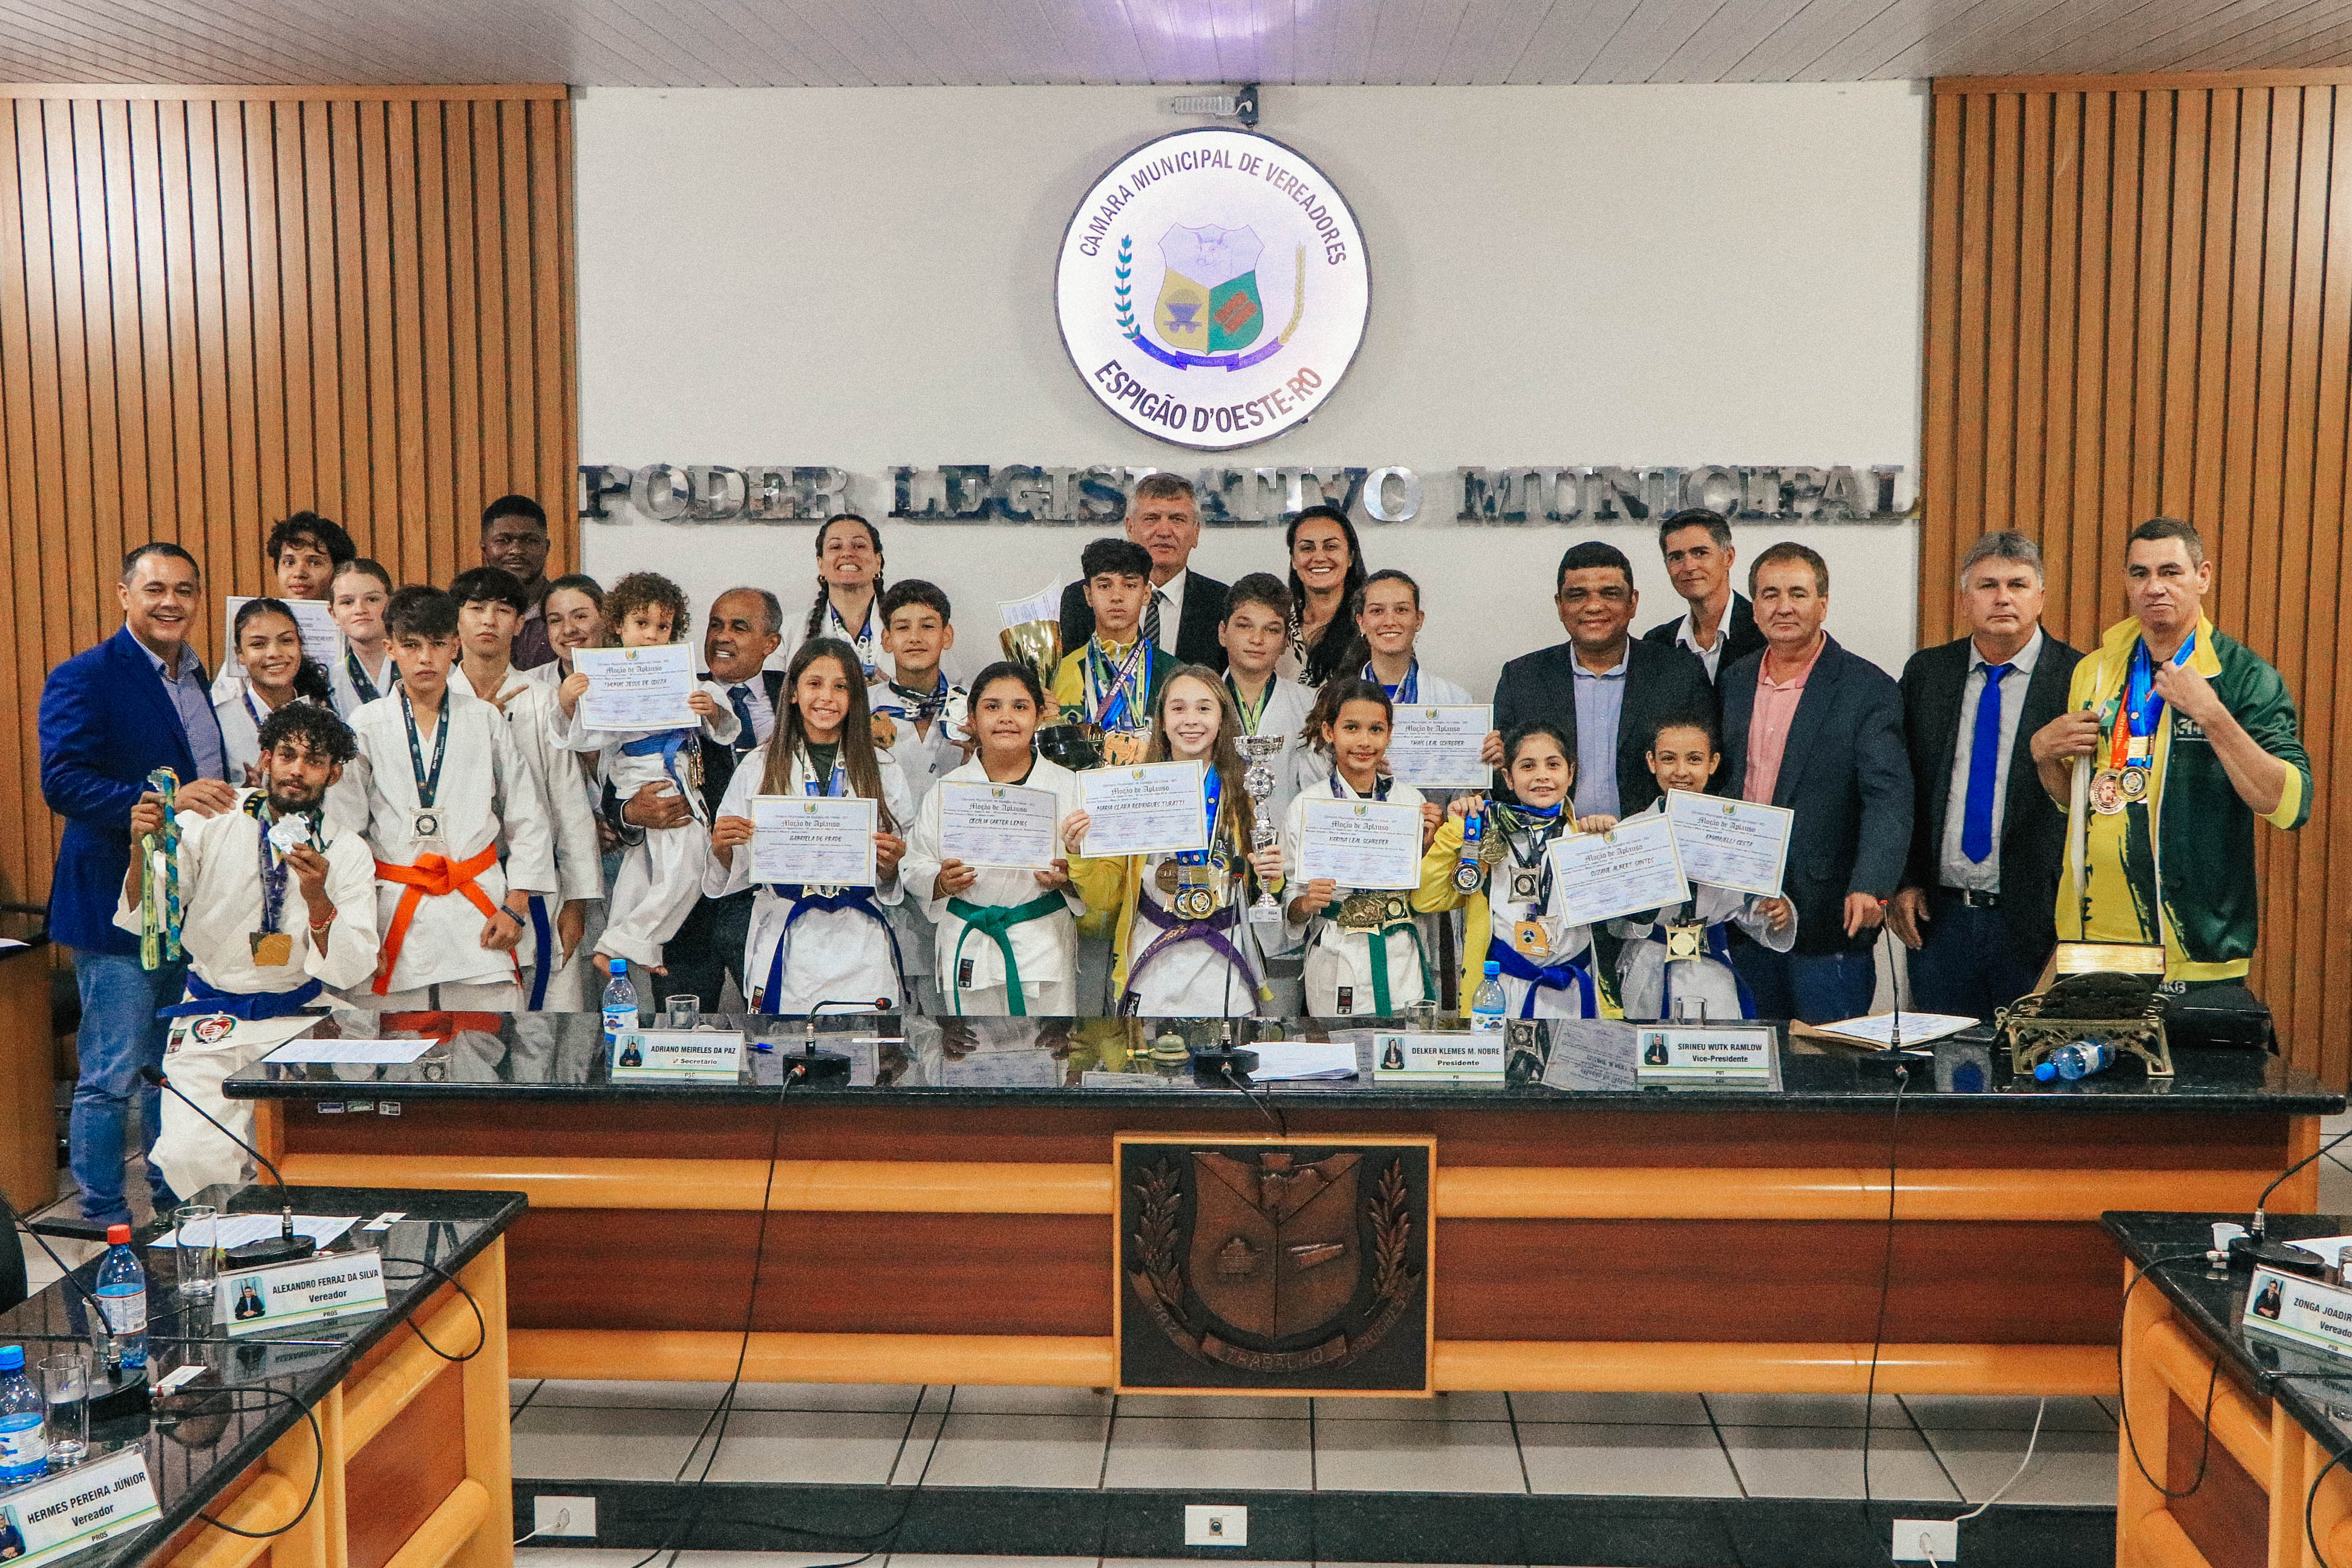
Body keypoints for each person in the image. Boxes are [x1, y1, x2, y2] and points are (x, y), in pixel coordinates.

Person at [41, 542, 238, 1226]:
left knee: (169, 1067)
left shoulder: (199, 677)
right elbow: (62, 781)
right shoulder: (85, 677)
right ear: (124, 594)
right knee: (111, 1074)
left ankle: (169, 1198)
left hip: (192, 906)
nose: (170, 603)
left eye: (184, 590)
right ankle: (102, 1216)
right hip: (117, 904)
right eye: (155, 589)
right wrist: (161, 802)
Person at [2028, 518, 2310, 990]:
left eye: (2170, 572)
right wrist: (2042, 756)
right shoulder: (2094, 672)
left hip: (2194, 951)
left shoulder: (2243, 676)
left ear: (2203, 577)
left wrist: (2212, 715)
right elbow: (2078, 802)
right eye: (2140, 573)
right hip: (2093, 944)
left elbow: (2289, 804)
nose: (2154, 587)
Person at [113, 704, 377, 1198]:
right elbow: (153, 916)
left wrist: (318, 896)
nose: (297, 770)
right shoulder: (210, 820)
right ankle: (221, 1240)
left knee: (301, 1168)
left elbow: (353, 965)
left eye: (314, 761)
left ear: (334, 774)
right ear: (266, 759)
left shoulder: (346, 850)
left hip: (297, 1017)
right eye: (287, 755)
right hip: (211, 1015)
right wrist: (138, 849)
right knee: (192, 1156)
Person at [330, 586, 555, 1010]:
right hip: (393, 910)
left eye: (437, 644)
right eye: (411, 646)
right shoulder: (365, 724)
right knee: (393, 1043)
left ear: (455, 646)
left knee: (485, 1041)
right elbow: (345, 833)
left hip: (479, 911)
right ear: (390, 648)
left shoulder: (484, 719)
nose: (425, 659)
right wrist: (358, 928)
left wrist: (516, 905)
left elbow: (527, 816)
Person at [1890, 533, 2083, 1021]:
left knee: (2032, 1060)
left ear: (2041, 597)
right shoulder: (1928, 674)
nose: (2002, 598)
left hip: (2038, 923)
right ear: (1964, 599)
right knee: (1942, 1058)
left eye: (2017, 585)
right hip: (1941, 921)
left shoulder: (2079, 678)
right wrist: (1904, 881)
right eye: (1987, 585)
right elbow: (1902, 787)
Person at [1719, 543, 1912, 1023]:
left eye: (1798, 594)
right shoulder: (1735, 680)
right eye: (1770, 594)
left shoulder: (1867, 688)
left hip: (1827, 916)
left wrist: (1873, 886)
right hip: (1743, 915)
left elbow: (1888, 799)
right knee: (1749, 1057)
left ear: (1823, 604)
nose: (1783, 607)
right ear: (1754, 607)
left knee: (1828, 1058)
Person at [708, 638, 915, 1013]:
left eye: (841, 687)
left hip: (860, 940)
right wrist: (723, 846)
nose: (827, 697)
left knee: (864, 1044)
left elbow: (901, 868)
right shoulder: (758, 766)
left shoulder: (884, 769)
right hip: (786, 934)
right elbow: (734, 870)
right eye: (815, 684)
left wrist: (891, 866)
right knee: (785, 1045)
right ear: (793, 693)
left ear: (856, 697)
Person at [1065, 667, 1283, 1015]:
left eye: (1204, 708)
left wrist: (1271, 874)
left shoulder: (1245, 795)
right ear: (1162, 722)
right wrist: (1079, 854)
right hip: (1152, 963)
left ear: (1222, 719)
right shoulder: (1131, 794)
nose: (1191, 720)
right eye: (1178, 708)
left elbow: (1261, 888)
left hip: (1226, 967)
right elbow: (1105, 898)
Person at [555, 572, 739, 979]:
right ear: (618, 626)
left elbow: (725, 730)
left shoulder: (688, 679)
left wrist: (710, 709)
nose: (653, 634)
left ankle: (618, 945)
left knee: (642, 871)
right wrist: (569, 702)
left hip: (678, 776)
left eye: (663, 626)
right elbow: (582, 737)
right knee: (693, 857)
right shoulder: (604, 680)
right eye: (642, 623)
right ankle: (631, 940)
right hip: (642, 782)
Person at [451, 566, 600, 1011]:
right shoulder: (436, 700)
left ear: (520, 624)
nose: (488, 620)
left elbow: (570, 805)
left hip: (541, 888)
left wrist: (577, 902)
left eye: (502, 611)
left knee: (555, 1020)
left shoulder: (541, 698)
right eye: (476, 608)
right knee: (476, 1020)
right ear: (456, 620)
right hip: (460, 883)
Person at [901, 661, 1086, 1016]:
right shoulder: (948, 790)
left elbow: (1097, 871)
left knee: (1047, 1047)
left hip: (1043, 944)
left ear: (1039, 716)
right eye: (992, 707)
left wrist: (1068, 879)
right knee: (972, 1048)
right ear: (972, 718)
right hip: (969, 940)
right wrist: (940, 882)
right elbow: (914, 864)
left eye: (1020, 707)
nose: (1006, 718)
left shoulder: (1070, 787)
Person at [1490, 541, 1713, 823]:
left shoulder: (1680, 674)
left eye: (1610, 593)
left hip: (1652, 841)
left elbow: (1708, 771)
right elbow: (1502, 779)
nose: (1594, 606)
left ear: (1633, 602)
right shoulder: (1522, 678)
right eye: (1577, 595)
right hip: (1549, 843)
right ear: (1560, 606)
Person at [1610, 713, 1797, 1021]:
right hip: (1649, 964)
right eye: (1668, 759)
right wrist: (1639, 910)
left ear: (1713, 763)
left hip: (1712, 970)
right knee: (1649, 1048)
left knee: (1714, 1048)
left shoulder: (1738, 828)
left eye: (1694, 759)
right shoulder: (1631, 832)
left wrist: (1773, 907)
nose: (1681, 771)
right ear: (1651, 762)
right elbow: (1614, 922)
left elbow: (1747, 903)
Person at [654, 586, 788, 1013]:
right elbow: (627, 763)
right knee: (682, 1031)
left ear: (771, 643)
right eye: (716, 625)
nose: (722, 636)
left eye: (739, 627)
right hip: (689, 895)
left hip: (771, 898)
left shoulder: (799, 694)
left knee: (780, 1028)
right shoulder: (675, 690)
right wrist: (626, 812)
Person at [1416, 722, 1604, 1018]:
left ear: (1570, 773)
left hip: (1573, 991)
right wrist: (1457, 830)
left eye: (1553, 765)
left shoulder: (1586, 839)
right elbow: (1425, 899)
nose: (1542, 775)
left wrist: (1611, 842)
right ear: (1508, 778)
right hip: (1500, 990)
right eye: (1528, 766)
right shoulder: (1485, 836)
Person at [1282, 679, 1443, 1016]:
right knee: (1340, 1046)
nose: (1364, 742)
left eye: (1376, 729)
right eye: (1351, 728)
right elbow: (1291, 902)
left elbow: (1427, 896)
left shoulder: (1410, 802)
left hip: (1401, 955)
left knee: (1403, 1044)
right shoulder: (1308, 806)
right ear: (1329, 732)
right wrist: (1308, 902)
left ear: (1389, 734)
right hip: (1337, 954)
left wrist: (1429, 849)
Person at [869, 580, 969, 1014]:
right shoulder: (857, 710)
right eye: (902, 627)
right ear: (886, 639)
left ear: (947, 635)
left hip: (955, 878)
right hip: (883, 877)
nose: (915, 637)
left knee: (955, 1020)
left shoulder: (976, 709)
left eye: (928, 626)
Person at [1057, 472, 1230, 670]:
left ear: (1196, 533)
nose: (1164, 532)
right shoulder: (1080, 599)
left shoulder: (1222, 602)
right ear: (1130, 528)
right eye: (1152, 519)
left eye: (1177, 520)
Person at [212, 512, 355, 701]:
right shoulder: (252, 632)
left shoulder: (355, 632)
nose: (299, 572)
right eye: (289, 562)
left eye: (314, 562)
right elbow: (223, 704)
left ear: (337, 571)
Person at [1054, 537, 1169, 766]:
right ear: (1088, 595)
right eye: (1105, 586)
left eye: (1130, 585)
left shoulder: (1172, 673)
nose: (1117, 596)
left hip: (1151, 785)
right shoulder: (1059, 673)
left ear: (1147, 594)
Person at [214, 598, 336, 783]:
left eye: (286, 641)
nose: (274, 653)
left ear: (300, 646)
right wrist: (246, 793)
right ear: (240, 654)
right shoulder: (218, 722)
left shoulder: (326, 721)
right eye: (258, 644)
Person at [1641, 508, 1765, 683]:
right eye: (1676, 557)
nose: (1689, 566)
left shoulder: (1766, 631)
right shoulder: (1657, 643)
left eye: (1700, 553)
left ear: (1728, 558)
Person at [1347, 569, 1473, 707]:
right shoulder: (1336, 700)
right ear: (1361, 623)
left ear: (1418, 620)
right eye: (1377, 611)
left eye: (1401, 610)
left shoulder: (1456, 700)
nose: (1389, 621)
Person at [788, 515, 892, 681]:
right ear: (821, 564)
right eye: (836, 547)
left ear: (877, 561)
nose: (848, 553)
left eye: (859, 546)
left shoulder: (908, 627)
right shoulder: (789, 631)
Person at [1284, 504, 1367, 686]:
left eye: (1331, 547)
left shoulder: (1370, 626)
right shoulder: (1278, 626)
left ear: (1351, 557)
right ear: (1294, 560)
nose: (1319, 557)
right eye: (1307, 548)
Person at [482, 494, 558, 670]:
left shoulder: (566, 612)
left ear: (546, 547)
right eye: (503, 541)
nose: (516, 550)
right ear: (484, 548)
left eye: (530, 540)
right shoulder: (463, 614)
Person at [327, 558, 396, 716]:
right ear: (333, 614)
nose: (360, 609)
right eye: (347, 602)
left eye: (372, 599)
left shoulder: (420, 664)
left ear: (391, 605)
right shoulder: (330, 681)